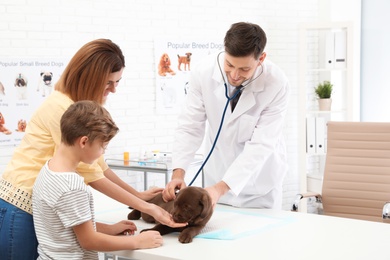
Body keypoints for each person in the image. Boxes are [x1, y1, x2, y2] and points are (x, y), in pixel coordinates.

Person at [0, 39, 185, 259]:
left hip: (40, 210)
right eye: (109, 83)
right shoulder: (62, 110)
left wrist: (138, 196)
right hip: (20, 207)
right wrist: (148, 208)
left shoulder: (76, 110)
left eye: (118, 82)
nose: (114, 89)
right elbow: (93, 175)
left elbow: (98, 166)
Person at [163, 22, 290, 209]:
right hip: (217, 178)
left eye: (245, 69)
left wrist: (221, 188)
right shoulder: (203, 72)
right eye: (229, 64)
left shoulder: (276, 83)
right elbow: (190, 127)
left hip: (260, 187)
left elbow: (262, 144)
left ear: (261, 58)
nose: (235, 75)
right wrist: (178, 174)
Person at [32, 101, 163, 259]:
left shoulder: (48, 170)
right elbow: (89, 241)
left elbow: (69, 226)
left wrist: (109, 229)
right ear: (84, 142)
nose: (102, 153)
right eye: (103, 147)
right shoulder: (72, 187)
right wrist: (137, 241)